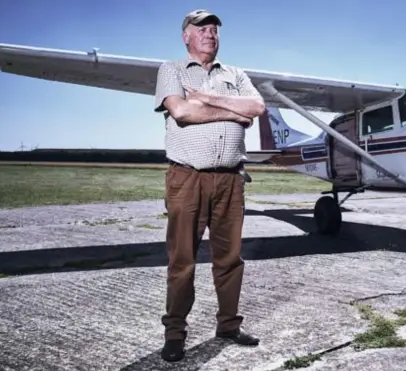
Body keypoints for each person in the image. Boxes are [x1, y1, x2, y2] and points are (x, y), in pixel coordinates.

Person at [153, 9, 266, 363]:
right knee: (182, 259)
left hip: (231, 179)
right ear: (186, 35)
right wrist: (235, 113)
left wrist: (208, 98)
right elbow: (182, 113)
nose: (210, 33)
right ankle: (175, 335)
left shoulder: (236, 74)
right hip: (188, 177)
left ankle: (229, 325)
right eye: (202, 28)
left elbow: (258, 107)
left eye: (215, 29)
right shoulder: (170, 70)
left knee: (230, 259)